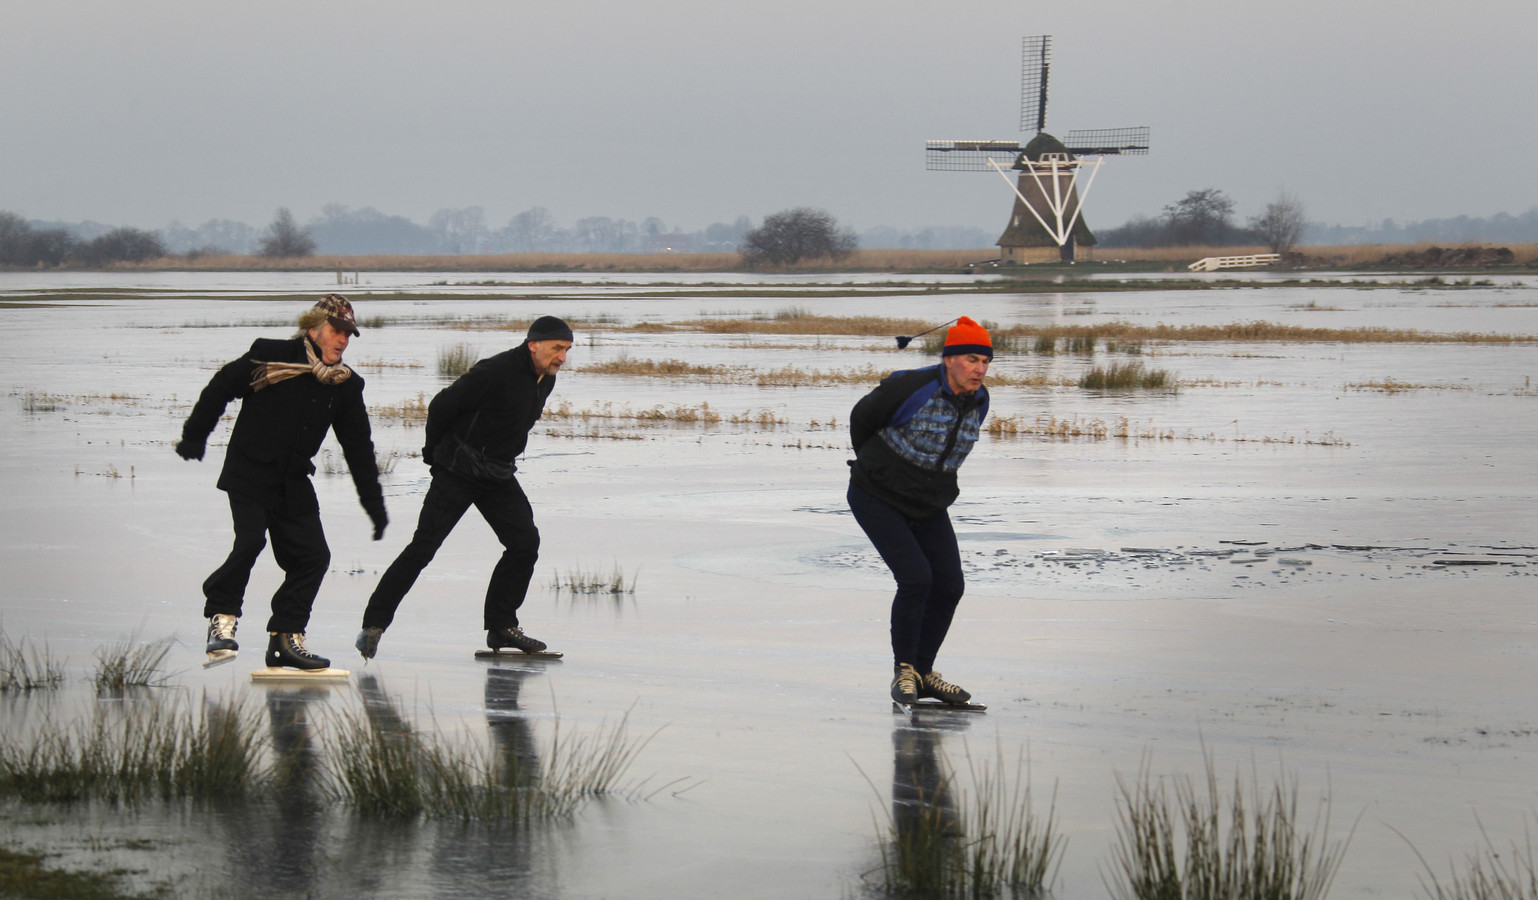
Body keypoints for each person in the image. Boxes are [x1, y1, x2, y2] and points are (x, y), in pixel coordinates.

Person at [176, 294, 388, 671]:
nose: (343, 340)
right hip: (250, 471)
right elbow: (221, 386)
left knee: (313, 557)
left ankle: (285, 639)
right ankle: (222, 621)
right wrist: (195, 434)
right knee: (250, 541)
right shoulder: (270, 357)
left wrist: (374, 505)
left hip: (292, 482)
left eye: (348, 334)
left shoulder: (344, 385)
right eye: (336, 331)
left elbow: (358, 448)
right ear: (314, 328)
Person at [356, 316, 573, 660]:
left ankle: (502, 625)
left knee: (524, 543)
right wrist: (434, 454)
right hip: (459, 469)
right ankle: (374, 625)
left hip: (498, 474)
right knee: (424, 547)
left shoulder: (544, 378)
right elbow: (442, 405)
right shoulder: (495, 370)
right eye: (557, 348)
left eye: (567, 350)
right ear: (534, 344)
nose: (562, 356)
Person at [846, 316, 992, 706]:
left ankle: (924, 674)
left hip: (928, 503)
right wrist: (877, 469)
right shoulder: (911, 386)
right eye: (971, 359)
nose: (979, 369)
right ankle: (904, 672)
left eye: (985, 362)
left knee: (950, 585)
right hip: (876, 495)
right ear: (949, 359)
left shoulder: (980, 399)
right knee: (916, 578)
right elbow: (862, 420)